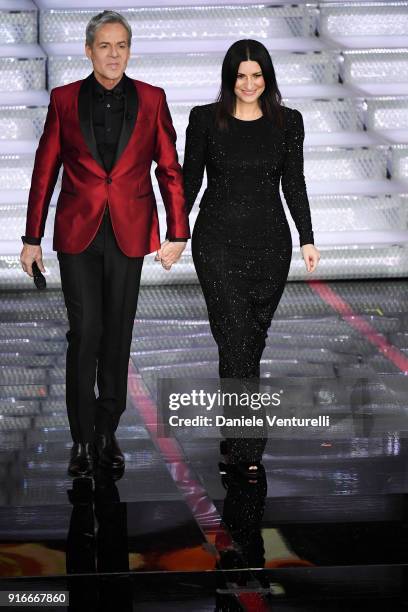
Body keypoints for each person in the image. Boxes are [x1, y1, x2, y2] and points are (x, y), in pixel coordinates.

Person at [19, 10, 190, 477]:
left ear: (128, 51)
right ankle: (80, 440)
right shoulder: (64, 100)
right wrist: (31, 237)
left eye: (121, 46)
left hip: (130, 232)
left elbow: (169, 169)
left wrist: (178, 231)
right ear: (88, 49)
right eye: (105, 46)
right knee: (85, 332)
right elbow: (44, 171)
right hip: (78, 233)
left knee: (117, 335)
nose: (113, 54)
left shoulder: (153, 99)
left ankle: (106, 431)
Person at [181, 39, 320, 474]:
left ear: (267, 77)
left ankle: (235, 429)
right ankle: (247, 447)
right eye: (241, 76)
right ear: (229, 78)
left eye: (256, 75)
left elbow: (293, 183)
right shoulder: (204, 120)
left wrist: (307, 238)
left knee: (247, 343)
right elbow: (188, 182)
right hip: (216, 243)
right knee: (239, 337)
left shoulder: (288, 123)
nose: (249, 83)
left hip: (270, 247)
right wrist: (173, 233)